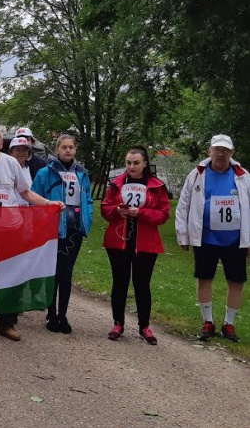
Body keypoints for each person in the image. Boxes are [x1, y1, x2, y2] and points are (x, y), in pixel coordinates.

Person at [0, 125, 65, 341]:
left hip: (9, 231)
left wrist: (48, 203)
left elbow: (25, 192)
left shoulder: (11, 164)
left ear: (1, 143)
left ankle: (7, 323)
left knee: (10, 276)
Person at [175, 134, 249, 343]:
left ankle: (229, 323)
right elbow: (183, 205)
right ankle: (208, 321)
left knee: (236, 281)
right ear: (209, 151)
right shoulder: (197, 175)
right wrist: (183, 234)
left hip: (235, 240)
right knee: (204, 278)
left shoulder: (243, 176)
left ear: (232, 153)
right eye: (217, 149)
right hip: (205, 238)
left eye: (225, 150)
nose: (221, 153)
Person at [101, 146, 170, 345]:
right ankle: (118, 323)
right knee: (119, 283)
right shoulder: (116, 184)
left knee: (142, 285)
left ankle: (144, 327)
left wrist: (140, 213)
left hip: (145, 243)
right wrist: (118, 211)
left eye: (136, 163)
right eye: (129, 163)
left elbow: (163, 214)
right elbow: (105, 209)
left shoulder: (156, 186)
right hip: (118, 242)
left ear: (145, 164)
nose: (132, 166)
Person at [31, 134, 94, 335]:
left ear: (75, 150)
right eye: (64, 147)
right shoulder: (45, 173)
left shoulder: (82, 174)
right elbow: (35, 199)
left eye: (71, 147)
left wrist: (87, 220)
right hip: (53, 230)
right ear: (57, 150)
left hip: (74, 229)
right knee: (54, 273)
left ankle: (63, 315)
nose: (68, 150)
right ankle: (51, 313)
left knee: (67, 274)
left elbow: (88, 200)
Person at [8, 137, 36, 205]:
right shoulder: (5, 169)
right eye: (18, 150)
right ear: (11, 152)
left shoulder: (34, 169)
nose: (21, 153)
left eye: (24, 150)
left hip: (29, 212)